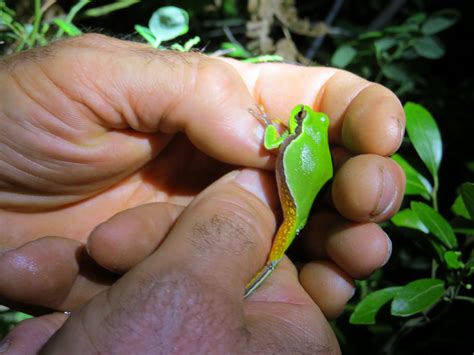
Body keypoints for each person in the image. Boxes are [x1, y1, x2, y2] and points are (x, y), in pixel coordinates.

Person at [0, 34, 405, 354]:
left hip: (294, 207)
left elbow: (269, 142)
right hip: (298, 202)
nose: (303, 116)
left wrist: (272, 130)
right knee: (292, 252)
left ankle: (252, 284)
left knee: (278, 252)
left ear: (300, 130)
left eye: (302, 120)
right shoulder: (304, 141)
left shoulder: (291, 138)